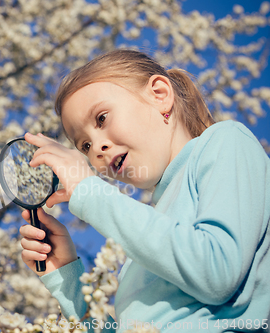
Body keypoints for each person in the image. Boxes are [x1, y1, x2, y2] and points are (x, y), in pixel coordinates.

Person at [19, 49, 270, 332]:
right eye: (84, 146)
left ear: (160, 94)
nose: (97, 148)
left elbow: (217, 273)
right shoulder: (145, 246)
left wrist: (87, 190)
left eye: (101, 118)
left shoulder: (226, 142)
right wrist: (67, 277)